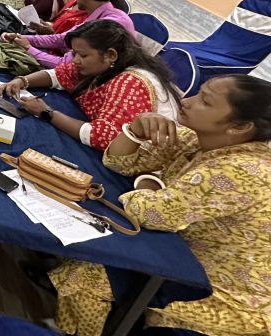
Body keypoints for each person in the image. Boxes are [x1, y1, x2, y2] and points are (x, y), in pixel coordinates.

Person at [48, 75, 271, 336]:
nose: (187, 101)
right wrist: (134, 131)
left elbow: (150, 213)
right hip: (178, 256)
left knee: (82, 278)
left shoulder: (242, 171)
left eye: (205, 101)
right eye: (199, 92)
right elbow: (119, 163)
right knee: (91, 242)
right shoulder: (198, 139)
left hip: (224, 295)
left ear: (239, 126)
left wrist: (147, 185)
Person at [0, 20, 180, 150]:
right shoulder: (104, 64)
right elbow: (59, 75)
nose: (75, 60)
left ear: (111, 55)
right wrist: (22, 80)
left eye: (82, 55)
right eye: (74, 53)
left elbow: (102, 137)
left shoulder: (131, 82)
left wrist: (47, 112)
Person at [0, 0, 135, 68]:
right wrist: (22, 38)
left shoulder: (106, 27)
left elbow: (65, 64)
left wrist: (28, 48)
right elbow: (63, 38)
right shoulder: (102, 14)